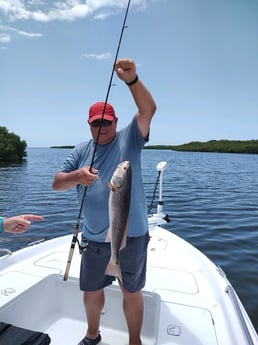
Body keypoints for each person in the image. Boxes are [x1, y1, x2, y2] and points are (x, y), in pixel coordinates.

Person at [52, 57, 156, 345]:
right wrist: (76, 176)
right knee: (91, 291)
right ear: (89, 124)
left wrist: (132, 81)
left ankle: (134, 341)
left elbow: (148, 110)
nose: (102, 128)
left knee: (131, 292)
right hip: (95, 237)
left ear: (116, 122)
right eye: (97, 123)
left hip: (131, 235)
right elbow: (56, 183)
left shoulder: (130, 139)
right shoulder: (80, 150)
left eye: (107, 122)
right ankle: (91, 334)